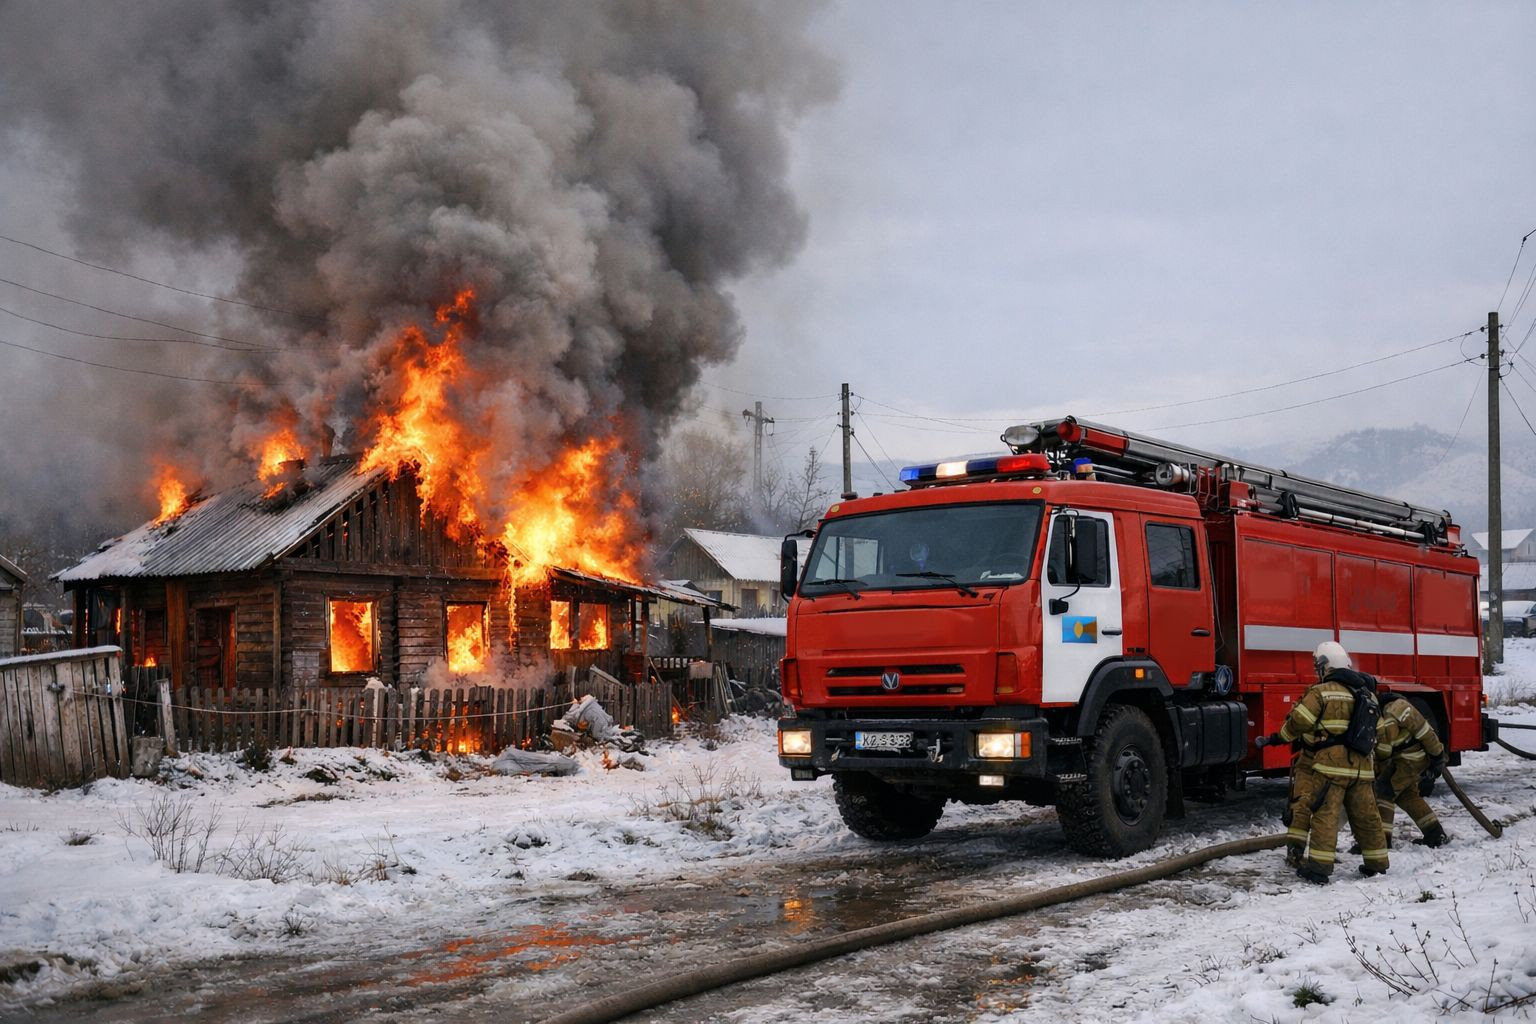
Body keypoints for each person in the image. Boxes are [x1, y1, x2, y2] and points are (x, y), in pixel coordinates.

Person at [1270, 641, 1388, 884]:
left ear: (1326, 666)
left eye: (1319, 667)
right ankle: (1376, 865)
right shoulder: (1367, 694)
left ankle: (1319, 869)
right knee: (1367, 817)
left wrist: (1279, 737)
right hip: (1362, 768)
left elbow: (1300, 721)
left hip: (1331, 767)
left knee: (1325, 815)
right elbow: (1381, 730)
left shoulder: (1321, 692)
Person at [1373, 696, 1449, 848]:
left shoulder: (1392, 714)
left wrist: (1438, 757)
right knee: (1407, 796)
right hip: (1409, 758)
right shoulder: (1395, 708)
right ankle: (1434, 833)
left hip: (1409, 760)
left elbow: (1385, 749)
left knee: (1384, 792)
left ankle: (1380, 841)